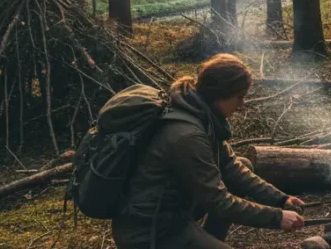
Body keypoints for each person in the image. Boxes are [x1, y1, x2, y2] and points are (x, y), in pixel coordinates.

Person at [112, 54, 306, 249]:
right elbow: (218, 201)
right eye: (239, 97)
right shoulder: (188, 136)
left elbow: (232, 167)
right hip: (152, 233)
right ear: (221, 94)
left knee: (243, 164)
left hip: (176, 217)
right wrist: (276, 218)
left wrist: (280, 199)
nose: (242, 104)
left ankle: (211, 240)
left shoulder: (202, 116)